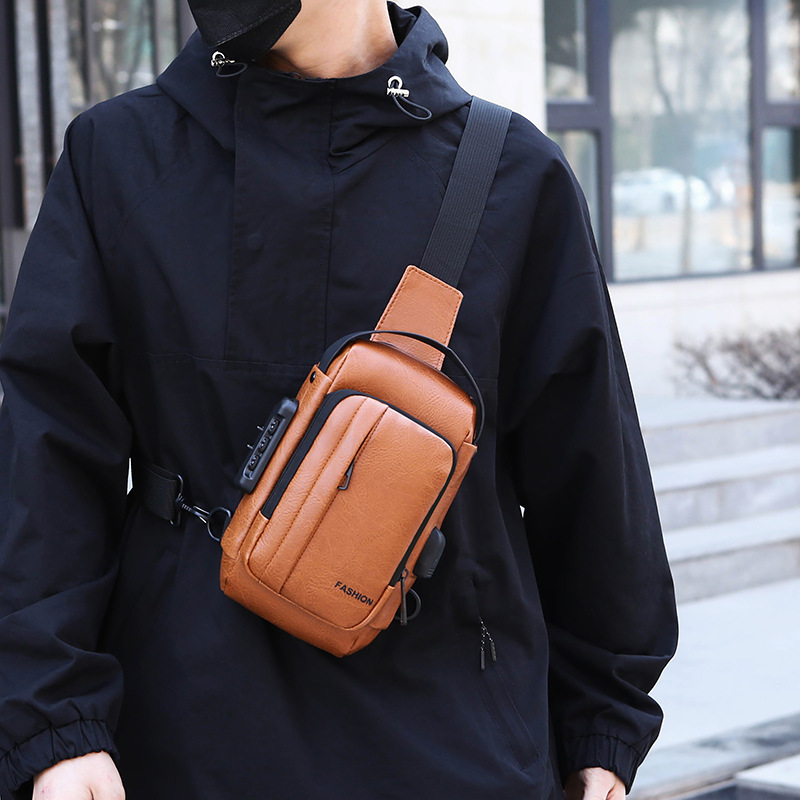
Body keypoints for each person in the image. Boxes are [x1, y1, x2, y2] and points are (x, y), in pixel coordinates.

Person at [0, 1, 679, 798]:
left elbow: (592, 479)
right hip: (179, 733)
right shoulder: (120, 154)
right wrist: (55, 726)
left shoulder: (514, 174)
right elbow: (47, 458)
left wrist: (602, 724)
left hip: (457, 743)